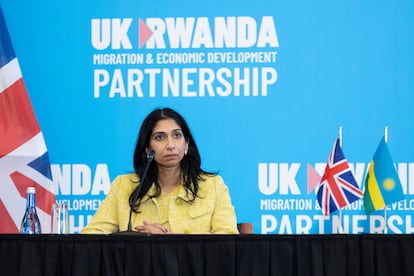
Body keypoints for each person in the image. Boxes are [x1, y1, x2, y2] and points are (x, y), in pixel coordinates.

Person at [81, 107, 239, 234]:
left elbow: (226, 242)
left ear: (186, 145)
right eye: (160, 137)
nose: (170, 145)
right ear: (148, 149)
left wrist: (170, 243)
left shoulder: (212, 186)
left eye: (177, 135)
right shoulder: (124, 186)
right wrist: (136, 242)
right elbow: (91, 236)